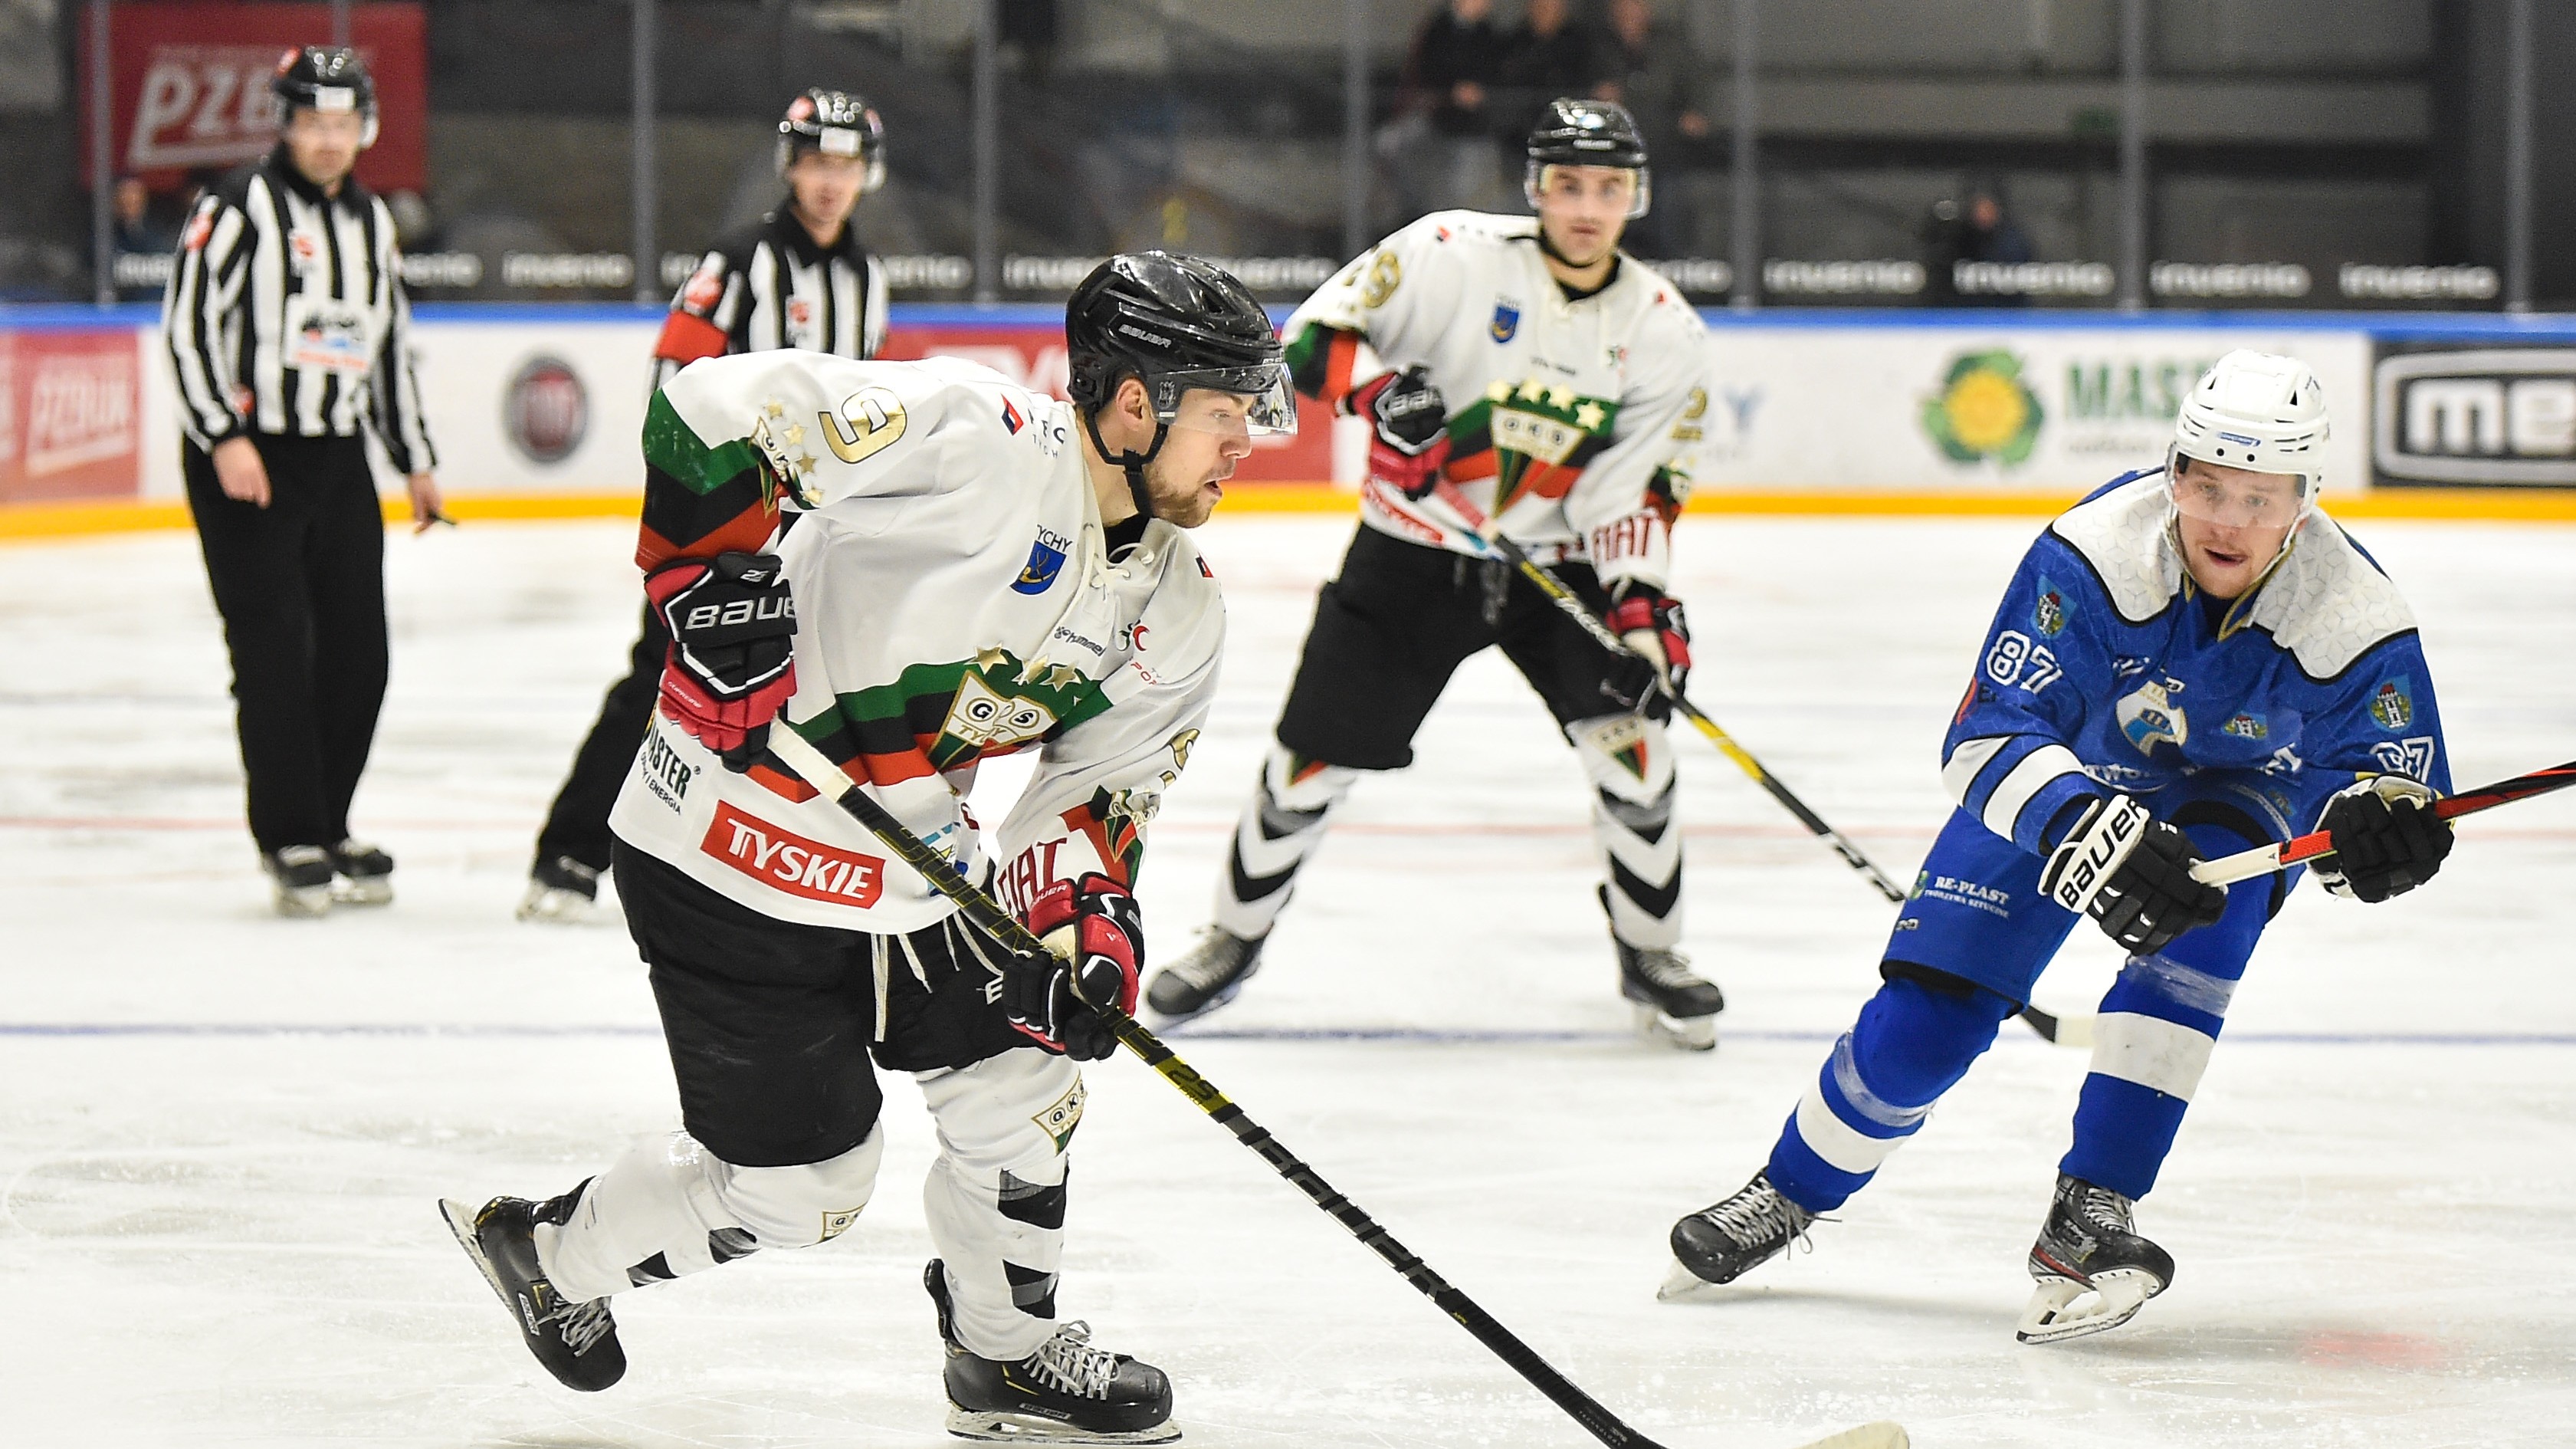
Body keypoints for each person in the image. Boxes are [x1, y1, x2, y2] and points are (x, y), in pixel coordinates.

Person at [441, 252, 1294, 1443]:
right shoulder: (978, 438)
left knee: (1028, 1077)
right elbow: (707, 407)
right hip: (727, 857)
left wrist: (1083, 927)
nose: (1249, 437)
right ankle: (545, 1253)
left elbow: (1095, 798)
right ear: (1134, 401)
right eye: (1225, 410)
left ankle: (1003, 1356)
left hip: (910, 869)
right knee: (806, 1198)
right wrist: (707, 581)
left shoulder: (1179, 607)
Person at [1664, 351, 2457, 1343]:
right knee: (1929, 1022)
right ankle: (1789, 1189)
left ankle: (2093, 1209)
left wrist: (2385, 834)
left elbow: (2387, 790)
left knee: (2200, 945)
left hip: (2234, 794)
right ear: (2172, 472)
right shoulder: (2092, 553)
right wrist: (2088, 823)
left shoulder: (2356, 614)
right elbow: (1986, 735)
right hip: (2067, 778)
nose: (2226, 520)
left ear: (2305, 499)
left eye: (2259, 497)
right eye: (2206, 485)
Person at [1142, 100, 1724, 1049]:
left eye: (1608, 188)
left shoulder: (1664, 330)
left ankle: (1651, 951)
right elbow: (1309, 344)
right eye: (1568, 184)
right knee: (1307, 764)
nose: (1586, 206)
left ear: (1636, 198)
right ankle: (1232, 937)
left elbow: (1637, 491)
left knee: (1636, 751)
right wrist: (1380, 394)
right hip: (1412, 551)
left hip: (1558, 569)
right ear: (1536, 186)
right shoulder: (1448, 251)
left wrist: (1644, 610)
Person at [520, 88, 893, 922]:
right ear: (789, 167)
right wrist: (703, 514)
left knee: (791, 694)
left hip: (815, 534)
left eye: (845, 164)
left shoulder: (867, 278)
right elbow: (673, 382)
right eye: (815, 162)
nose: (830, 181)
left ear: (866, 174)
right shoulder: (738, 262)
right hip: (725, 526)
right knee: (661, 677)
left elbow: (866, 409)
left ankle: (734, 867)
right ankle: (567, 852)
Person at [162, 46, 441, 917]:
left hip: (336, 457)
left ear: (364, 129)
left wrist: (415, 458)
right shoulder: (236, 206)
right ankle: (288, 832)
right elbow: (186, 328)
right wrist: (223, 436)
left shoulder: (372, 223)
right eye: (311, 122)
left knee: (361, 656)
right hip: (249, 459)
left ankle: (331, 820)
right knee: (276, 652)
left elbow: (387, 344)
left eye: (341, 124)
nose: (327, 140)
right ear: (283, 124)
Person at [1390, 0, 1511, 215]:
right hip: (1434, 116)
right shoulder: (1438, 28)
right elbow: (1425, 70)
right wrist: (1451, 91)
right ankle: (1414, 212)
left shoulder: (1489, 34)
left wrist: (1479, 91)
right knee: (1390, 145)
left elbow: (1498, 74)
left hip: (1473, 128)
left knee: (1464, 190)